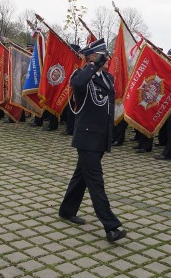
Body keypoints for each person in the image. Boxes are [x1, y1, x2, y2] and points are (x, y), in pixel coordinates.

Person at [58, 38, 126, 243]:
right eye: (102, 55)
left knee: (81, 176)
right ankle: (111, 227)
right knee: (96, 181)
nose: (107, 58)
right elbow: (78, 84)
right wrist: (94, 65)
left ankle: (66, 210)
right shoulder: (81, 76)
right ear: (92, 57)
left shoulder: (107, 78)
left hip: (101, 137)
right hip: (86, 137)